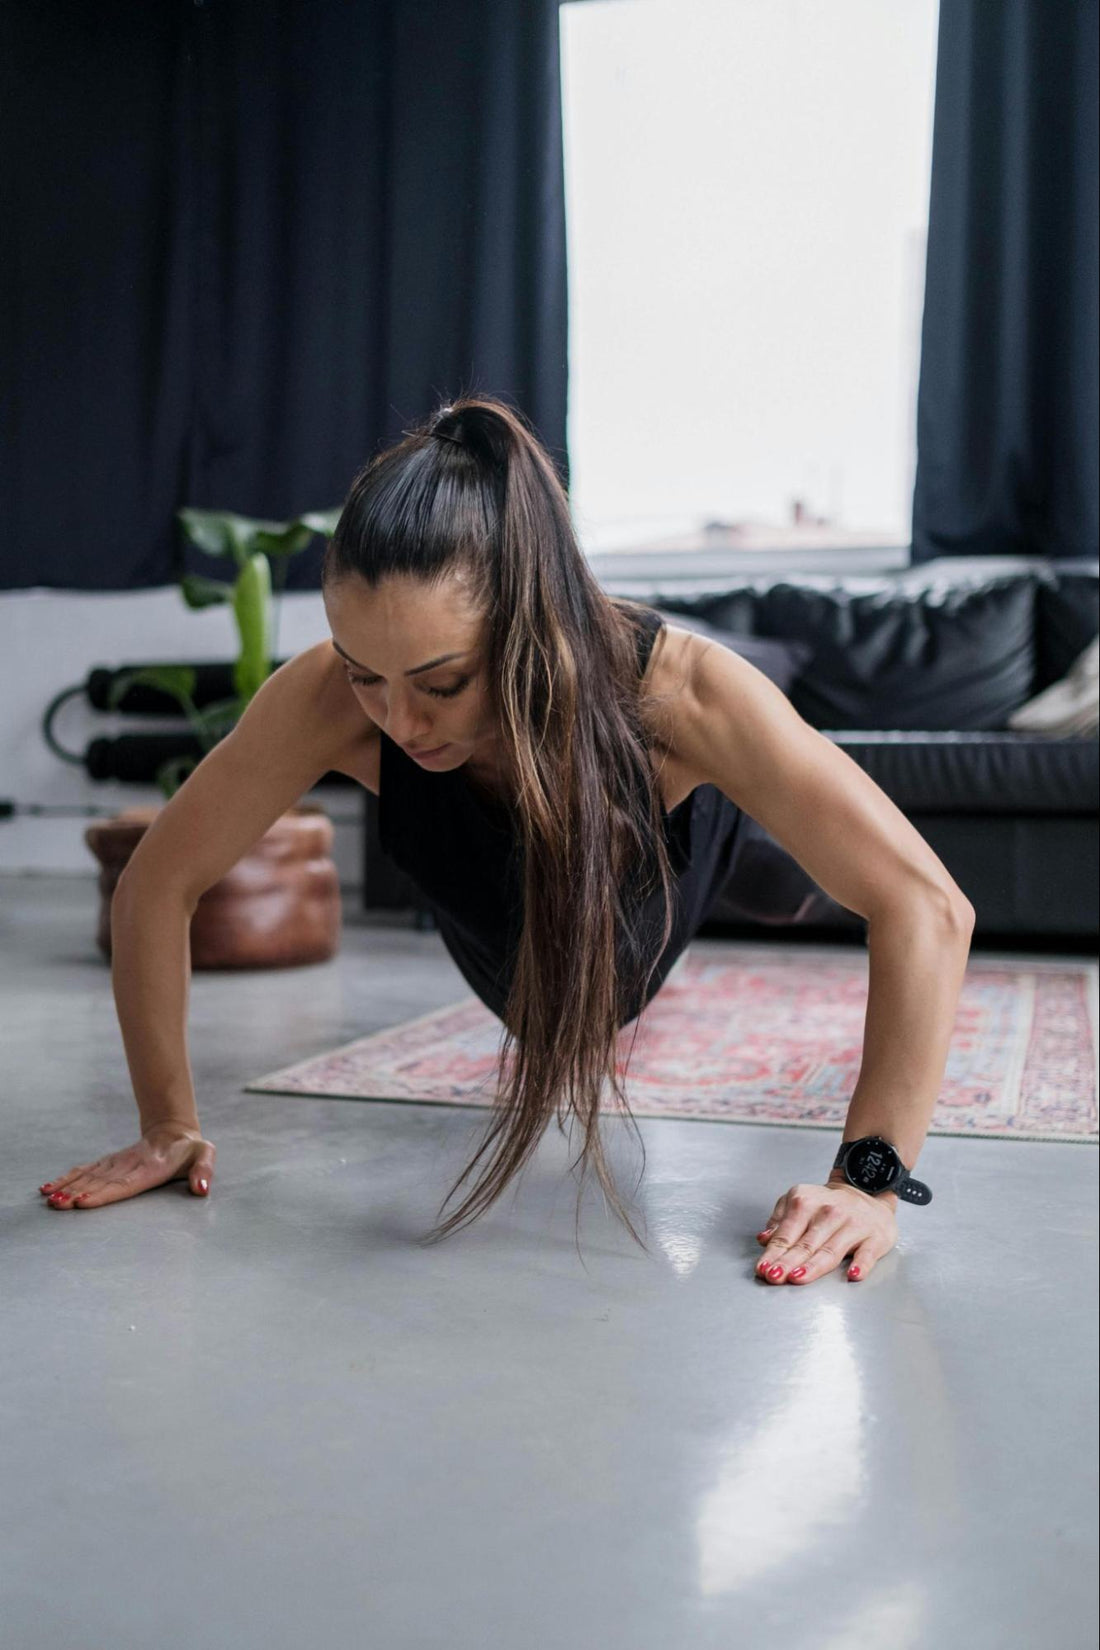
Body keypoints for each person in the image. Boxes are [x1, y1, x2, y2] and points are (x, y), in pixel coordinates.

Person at [39, 396, 975, 1285]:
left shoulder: (682, 697)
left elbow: (927, 907)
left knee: (783, 877)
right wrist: (167, 1124)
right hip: (506, 920)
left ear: (533, 625)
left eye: (440, 682)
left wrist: (868, 1182)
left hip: (662, 866)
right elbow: (156, 883)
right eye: (368, 675)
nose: (399, 720)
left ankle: (767, 861)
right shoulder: (330, 701)